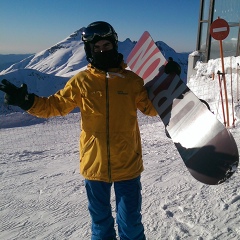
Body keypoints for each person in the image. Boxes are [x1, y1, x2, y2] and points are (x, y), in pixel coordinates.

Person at [0, 21, 158, 240]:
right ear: (90, 51)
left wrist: (166, 84)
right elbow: (54, 106)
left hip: (128, 165)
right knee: (101, 227)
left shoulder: (131, 81)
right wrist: (26, 101)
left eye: (107, 46)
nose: (103, 51)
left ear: (114, 46)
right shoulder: (81, 82)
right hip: (94, 166)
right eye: (97, 48)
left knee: (131, 225)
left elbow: (151, 109)